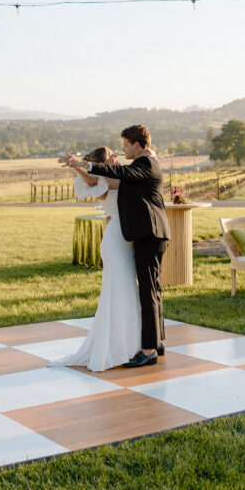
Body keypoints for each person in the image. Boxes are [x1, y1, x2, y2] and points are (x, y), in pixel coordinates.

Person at [63, 124, 170, 368]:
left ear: (136, 144)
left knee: (147, 291)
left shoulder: (144, 164)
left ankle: (149, 349)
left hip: (147, 234)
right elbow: (102, 184)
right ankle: (156, 342)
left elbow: (119, 178)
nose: (120, 151)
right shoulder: (136, 166)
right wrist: (81, 167)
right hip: (136, 234)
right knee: (150, 289)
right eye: (116, 150)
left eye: (123, 145)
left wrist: (83, 164)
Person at [54, 147, 141, 372]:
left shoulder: (115, 176)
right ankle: (116, 347)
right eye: (112, 154)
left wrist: (79, 166)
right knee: (117, 290)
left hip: (125, 237)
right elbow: (96, 184)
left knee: (128, 290)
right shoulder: (107, 179)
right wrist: (79, 168)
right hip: (115, 239)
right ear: (105, 161)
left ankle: (131, 343)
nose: (116, 156)